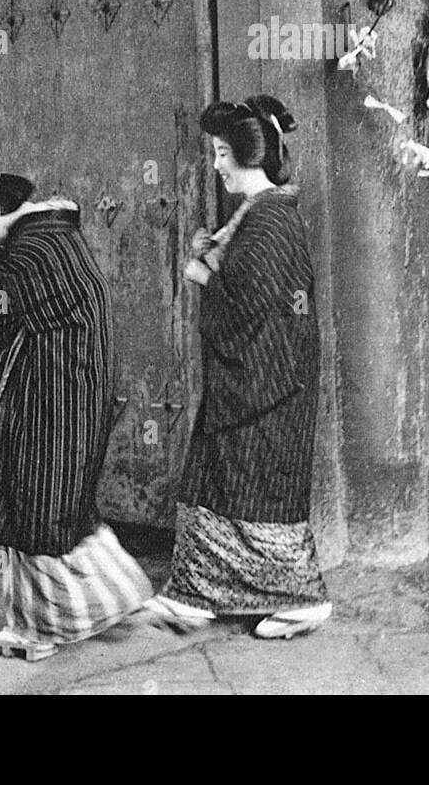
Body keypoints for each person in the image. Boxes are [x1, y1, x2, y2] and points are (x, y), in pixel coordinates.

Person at [0, 152, 152, 661]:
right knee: (56, 504)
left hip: (51, 392)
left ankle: (46, 627)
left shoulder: (28, 254)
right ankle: (111, 594)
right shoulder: (54, 236)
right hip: (70, 387)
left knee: (35, 504)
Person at [143, 96, 332, 639]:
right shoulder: (261, 213)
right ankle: (197, 595)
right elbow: (254, 289)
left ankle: (300, 597)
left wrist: (205, 276)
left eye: (224, 153)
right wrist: (217, 255)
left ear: (251, 155)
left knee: (254, 479)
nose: (219, 165)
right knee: (218, 470)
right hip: (262, 375)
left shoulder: (270, 220)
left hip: (270, 378)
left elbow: (252, 303)